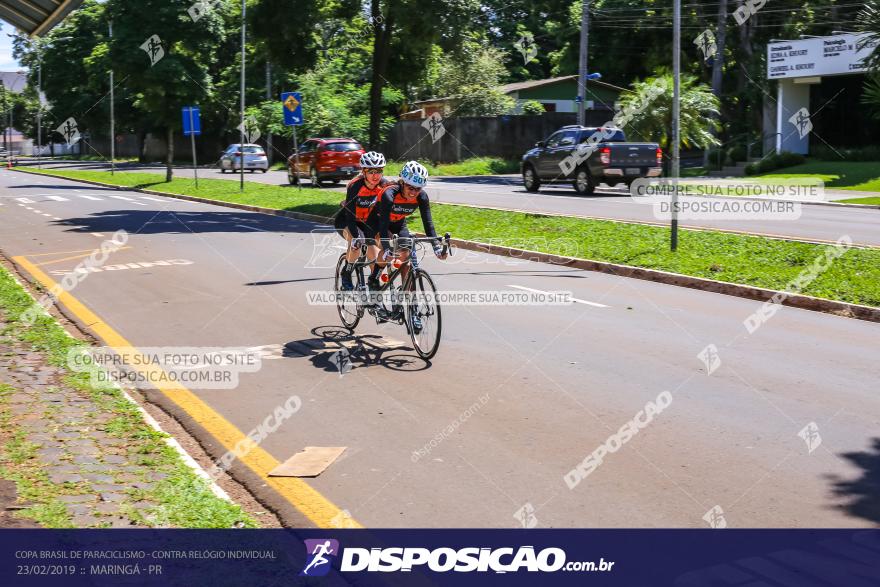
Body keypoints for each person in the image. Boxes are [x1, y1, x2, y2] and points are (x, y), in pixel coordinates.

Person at [368, 162, 447, 328]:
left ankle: (413, 310)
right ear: (402, 182)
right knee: (389, 249)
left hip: (398, 223)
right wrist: (388, 248)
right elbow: (383, 226)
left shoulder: (421, 197)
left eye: (418, 189)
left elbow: (428, 224)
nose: (413, 192)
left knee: (407, 262)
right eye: (410, 187)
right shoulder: (389, 193)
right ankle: (374, 277)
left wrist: (437, 247)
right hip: (377, 222)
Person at [336, 151, 389, 290]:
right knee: (356, 244)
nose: (375, 175)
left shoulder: (384, 186)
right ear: (363, 172)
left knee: (376, 253)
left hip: (368, 222)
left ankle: (373, 285)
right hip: (347, 220)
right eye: (371, 171)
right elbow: (350, 215)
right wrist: (357, 237)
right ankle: (346, 273)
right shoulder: (355, 186)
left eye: (379, 171)